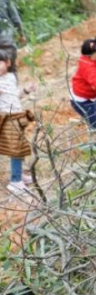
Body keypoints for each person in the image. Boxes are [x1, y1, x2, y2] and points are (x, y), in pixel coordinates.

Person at [0, 46, 35, 196]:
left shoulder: (11, 77)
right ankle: (15, 182)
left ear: (8, 62)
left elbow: (14, 95)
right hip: (6, 119)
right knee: (16, 149)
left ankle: (18, 174)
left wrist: (26, 91)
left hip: (17, 116)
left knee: (20, 147)